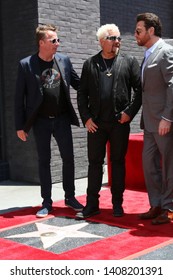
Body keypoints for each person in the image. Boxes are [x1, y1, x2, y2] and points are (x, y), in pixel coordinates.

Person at [15, 24, 83, 218]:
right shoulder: (26, 64)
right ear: (41, 42)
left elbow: (80, 84)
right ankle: (47, 202)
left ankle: (70, 197)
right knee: (44, 160)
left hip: (61, 119)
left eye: (57, 39)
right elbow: (19, 97)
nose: (57, 43)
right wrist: (20, 126)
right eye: (53, 40)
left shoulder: (64, 60)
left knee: (68, 158)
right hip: (40, 121)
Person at [76, 23, 142, 219]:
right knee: (94, 163)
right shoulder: (90, 64)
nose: (117, 42)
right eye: (113, 38)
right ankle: (92, 205)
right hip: (96, 124)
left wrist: (129, 112)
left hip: (119, 123)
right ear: (102, 41)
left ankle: (117, 204)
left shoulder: (129, 61)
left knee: (118, 162)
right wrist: (86, 118)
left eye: (119, 38)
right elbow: (82, 94)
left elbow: (139, 90)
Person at [135, 12, 173, 225]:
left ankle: (169, 208)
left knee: (169, 166)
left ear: (151, 30)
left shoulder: (165, 51)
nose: (135, 35)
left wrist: (168, 117)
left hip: (163, 122)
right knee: (149, 164)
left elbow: (172, 85)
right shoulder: (148, 54)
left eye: (138, 31)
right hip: (149, 123)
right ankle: (156, 203)